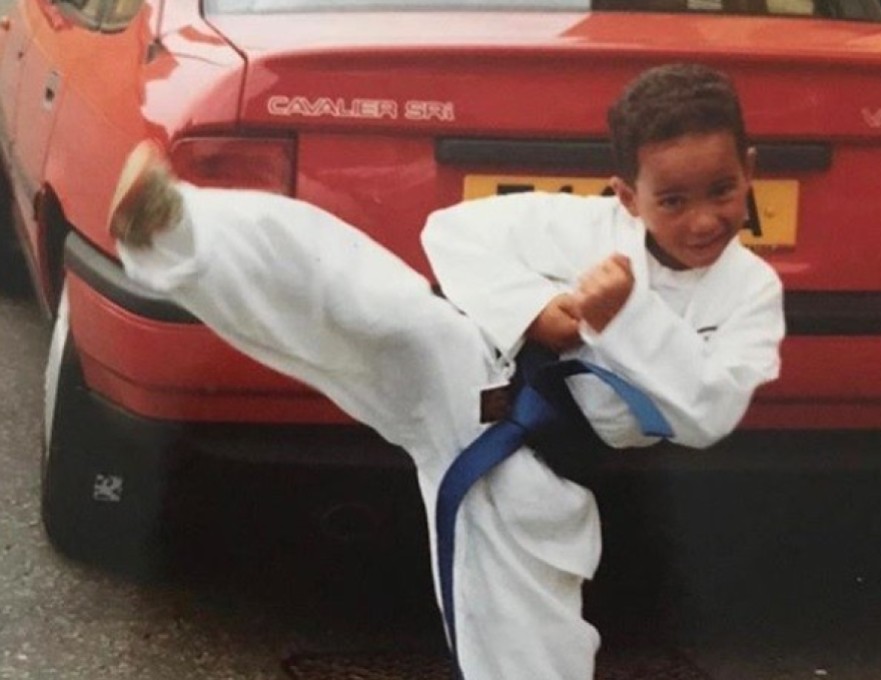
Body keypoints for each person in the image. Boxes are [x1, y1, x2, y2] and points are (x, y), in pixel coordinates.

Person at [108, 63, 785, 680]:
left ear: (749, 171)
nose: (703, 219)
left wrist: (625, 314)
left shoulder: (751, 294)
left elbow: (709, 411)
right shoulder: (589, 225)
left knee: (529, 652)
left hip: (539, 479)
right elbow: (455, 231)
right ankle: (176, 225)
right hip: (470, 380)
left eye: (722, 190)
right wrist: (541, 312)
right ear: (628, 197)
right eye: (673, 200)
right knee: (371, 305)